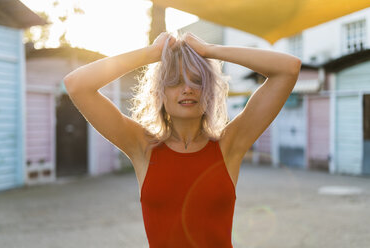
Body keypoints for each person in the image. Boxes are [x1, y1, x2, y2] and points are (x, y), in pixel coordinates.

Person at [63, 31, 301, 247]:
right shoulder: (142, 147)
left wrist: (209, 51)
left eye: (197, 81)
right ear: (160, 93)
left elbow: (289, 69)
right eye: (175, 81)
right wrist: (152, 54)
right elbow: (76, 85)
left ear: (209, 91)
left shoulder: (229, 146)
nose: (187, 89)